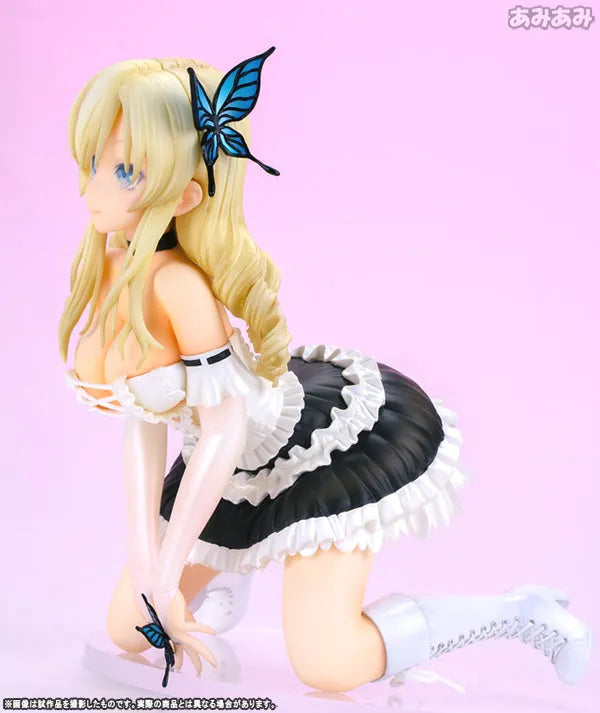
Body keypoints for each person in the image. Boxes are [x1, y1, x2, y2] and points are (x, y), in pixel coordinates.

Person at [59, 50, 591, 693]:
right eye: (93, 161)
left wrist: (168, 572)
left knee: (329, 665)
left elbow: (226, 432)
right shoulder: (114, 267)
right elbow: (143, 423)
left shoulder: (179, 287)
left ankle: (521, 610)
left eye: (123, 171)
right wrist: (150, 568)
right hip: (228, 468)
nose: (92, 189)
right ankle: (228, 575)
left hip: (315, 453)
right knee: (128, 626)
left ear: (186, 193)